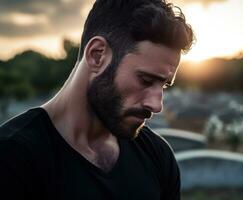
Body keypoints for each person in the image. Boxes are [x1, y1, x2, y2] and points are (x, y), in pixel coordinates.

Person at [0, 0, 194, 199]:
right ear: (97, 55)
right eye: (145, 80)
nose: (156, 105)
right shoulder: (12, 158)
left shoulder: (158, 157)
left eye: (163, 85)